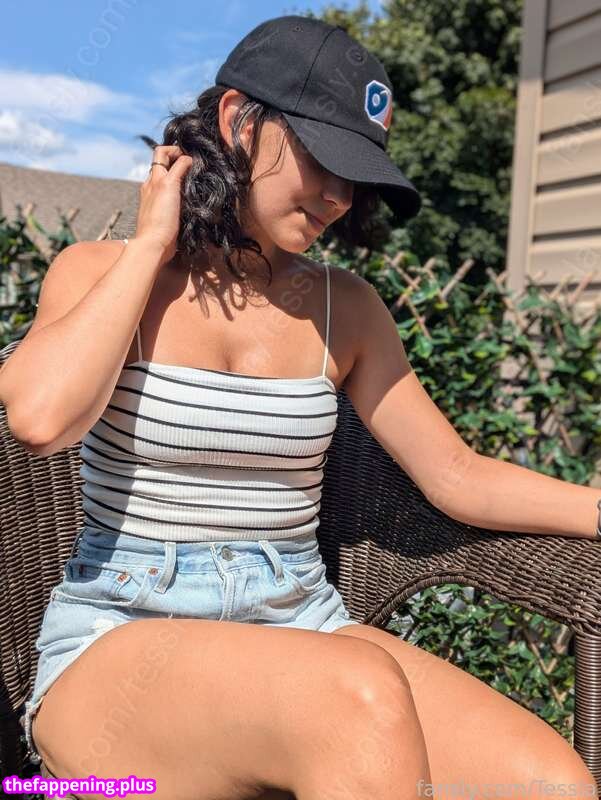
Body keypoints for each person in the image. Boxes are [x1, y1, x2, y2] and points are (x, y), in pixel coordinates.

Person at [3, 13, 597, 800]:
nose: (339, 198)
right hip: (123, 631)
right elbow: (40, 420)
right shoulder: (97, 271)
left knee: (549, 784)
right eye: (323, 159)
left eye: (356, 176)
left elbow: (454, 474)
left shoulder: (344, 309)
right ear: (238, 121)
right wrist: (150, 247)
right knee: (351, 698)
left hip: (299, 619)